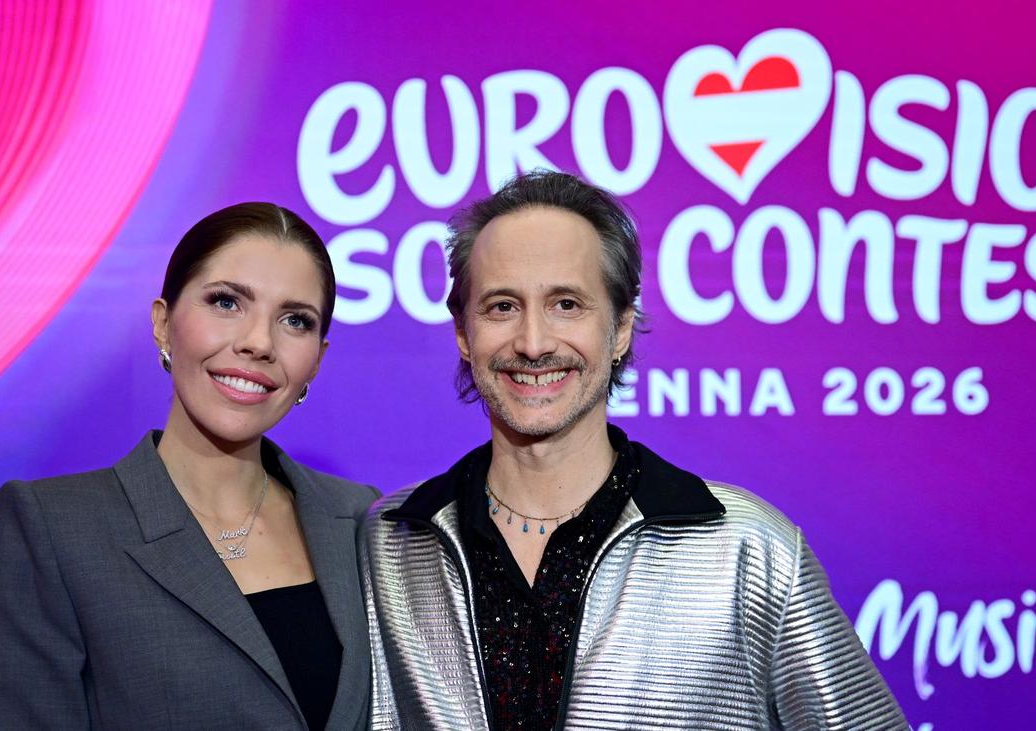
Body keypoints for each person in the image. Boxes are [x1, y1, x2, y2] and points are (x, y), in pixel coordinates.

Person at [361, 171, 908, 729]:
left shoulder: (747, 549)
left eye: (566, 304)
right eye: (502, 306)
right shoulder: (388, 545)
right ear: (463, 332)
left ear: (621, 327)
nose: (533, 343)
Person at [0, 203, 378, 730]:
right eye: (226, 302)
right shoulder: (54, 528)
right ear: (164, 325)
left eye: (294, 320)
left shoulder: (361, 519)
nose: (259, 342)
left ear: (317, 361)